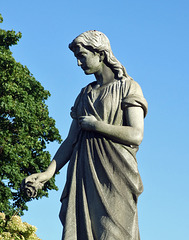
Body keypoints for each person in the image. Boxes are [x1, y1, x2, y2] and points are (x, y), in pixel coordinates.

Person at [24, 30, 148, 240]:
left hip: (115, 176)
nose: (79, 63)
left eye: (82, 56)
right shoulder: (84, 94)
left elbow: (136, 135)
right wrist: (46, 174)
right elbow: (71, 141)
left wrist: (97, 126)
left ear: (100, 53)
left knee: (113, 233)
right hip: (83, 174)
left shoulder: (128, 87)